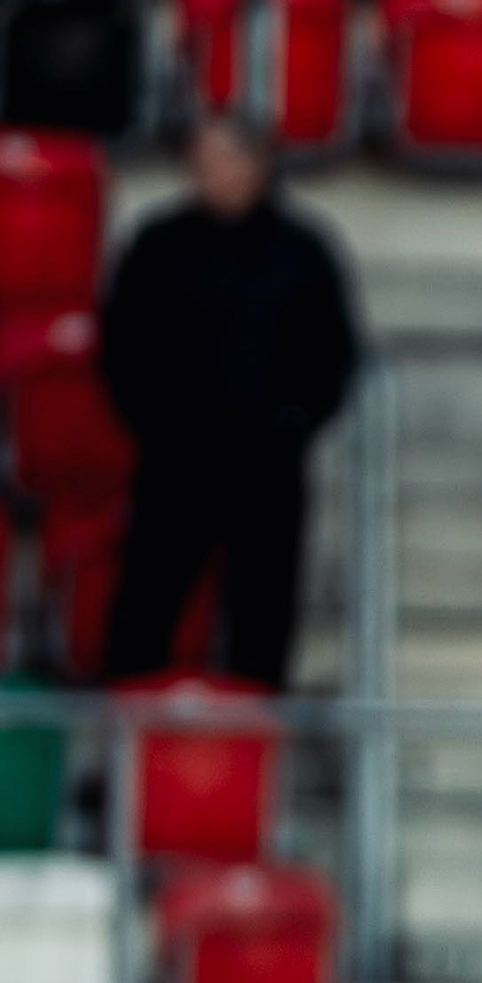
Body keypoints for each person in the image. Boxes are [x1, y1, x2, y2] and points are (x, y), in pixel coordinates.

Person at [96, 116, 357, 686]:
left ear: (257, 165)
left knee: (263, 615)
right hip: (174, 462)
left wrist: (292, 425)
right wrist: (154, 424)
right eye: (199, 161)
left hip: (267, 468)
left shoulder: (303, 251)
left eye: (221, 160)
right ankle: (126, 732)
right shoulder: (157, 243)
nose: (207, 173)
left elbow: (332, 355)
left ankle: (256, 734)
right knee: (144, 607)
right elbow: (122, 344)